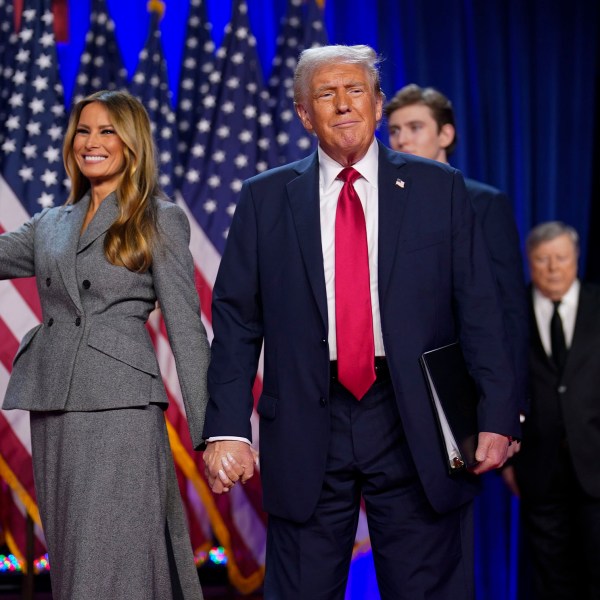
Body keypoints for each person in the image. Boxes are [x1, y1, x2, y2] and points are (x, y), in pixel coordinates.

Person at [202, 45, 520, 599]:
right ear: (305, 114)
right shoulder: (263, 198)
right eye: (327, 94)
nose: (344, 105)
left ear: (376, 106)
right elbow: (236, 322)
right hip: (304, 418)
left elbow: (480, 308)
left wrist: (496, 412)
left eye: (356, 92)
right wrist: (227, 427)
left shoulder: (438, 189)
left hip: (411, 416)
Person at [0, 90, 209, 599]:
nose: (90, 142)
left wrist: (212, 434)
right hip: (53, 403)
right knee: (73, 556)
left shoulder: (158, 218)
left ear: (131, 143)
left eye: (107, 131)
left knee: (115, 556)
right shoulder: (51, 224)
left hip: (121, 407)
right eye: (83, 130)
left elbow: (186, 328)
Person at [383, 84, 529, 409]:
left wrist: (511, 404)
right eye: (394, 130)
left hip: (465, 381)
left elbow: (509, 311)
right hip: (396, 386)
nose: (402, 139)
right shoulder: (382, 205)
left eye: (415, 128)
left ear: (445, 135)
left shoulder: (485, 203)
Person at [502, 222, 600, 599]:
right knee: (550, 575)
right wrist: (508, 461)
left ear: (576, 259)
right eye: (543, 260)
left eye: (561, 258)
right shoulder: (511, 315)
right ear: (529, 262)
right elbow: (499, 386)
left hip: (595, 466)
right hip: (537, 469)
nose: (553, 268)